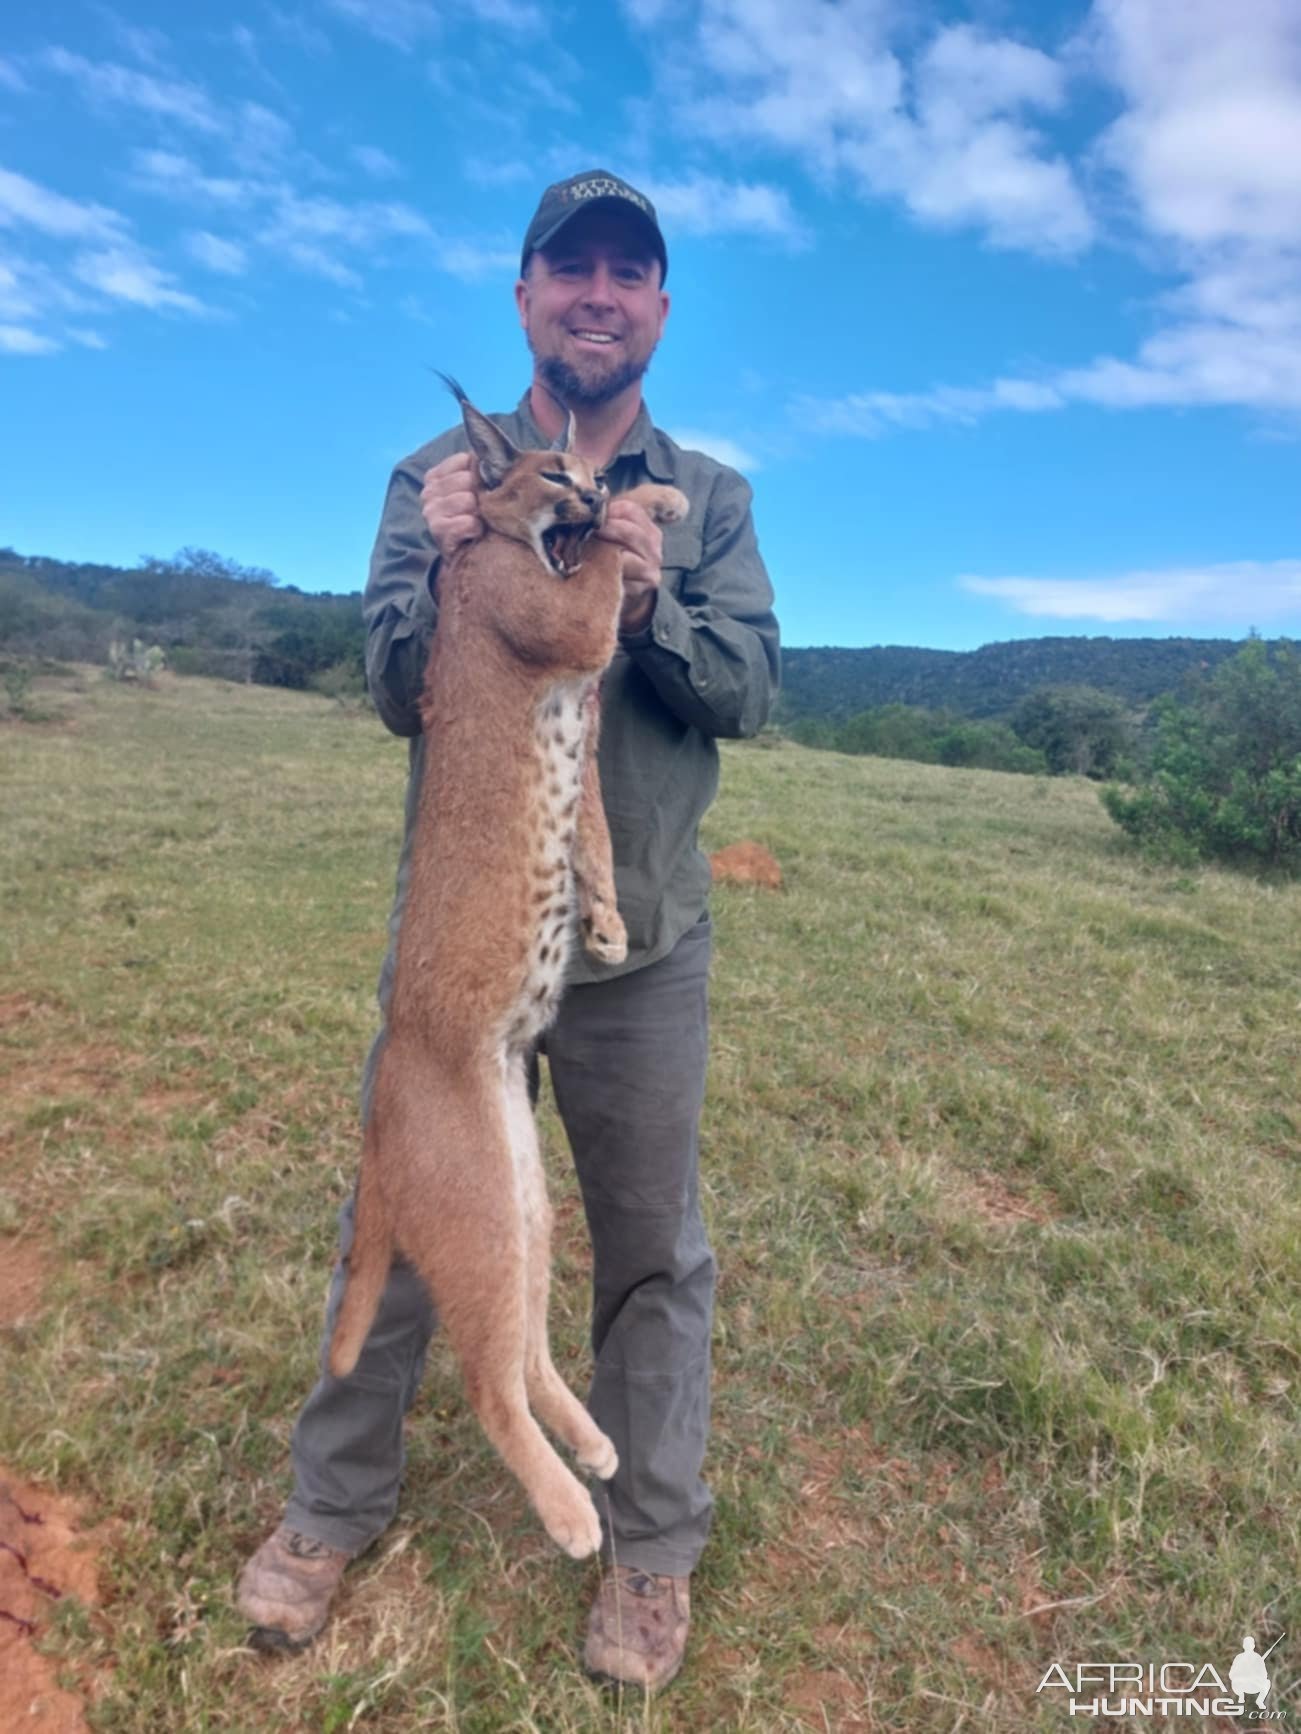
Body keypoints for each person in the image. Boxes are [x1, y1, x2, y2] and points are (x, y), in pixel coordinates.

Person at [237, 169, 780, 1690]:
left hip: (636, 938)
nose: (598, 293)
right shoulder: (434, 472)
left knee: (650, 1251)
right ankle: (328, 1511)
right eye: (570, 268)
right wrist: (445, 545)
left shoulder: (706, 494)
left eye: (628, 272)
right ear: (525, 297)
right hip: (470, 939)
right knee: (400, 1219)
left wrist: (641, 584)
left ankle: (650, 1548)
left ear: (659, 310)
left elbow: (743, 688)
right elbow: (392, 680)